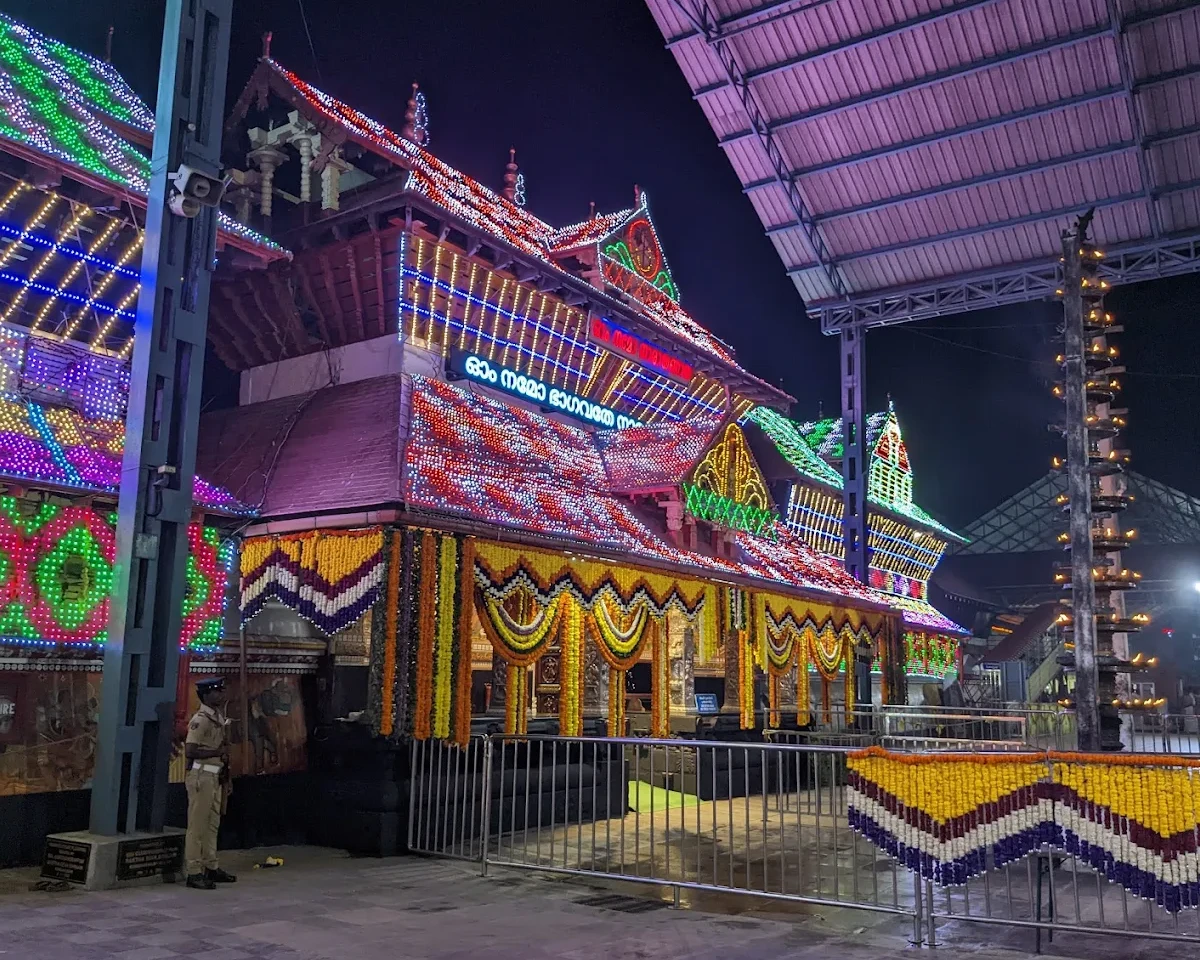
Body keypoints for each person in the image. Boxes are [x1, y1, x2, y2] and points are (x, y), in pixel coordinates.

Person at [184, 677, 237, 890]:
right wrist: (217, 752)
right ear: (206, 695)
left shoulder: (218, 717)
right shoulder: (201, 719)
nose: (221, 694)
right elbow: (191, 750)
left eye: (222, 690)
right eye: (216, 691)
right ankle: (194, 871)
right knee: (197, 826)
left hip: (215, 776)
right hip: (201, 776)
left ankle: (210, 865)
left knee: (212, 824)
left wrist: (227, 776)